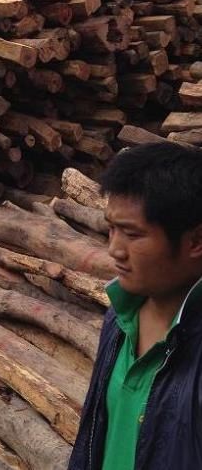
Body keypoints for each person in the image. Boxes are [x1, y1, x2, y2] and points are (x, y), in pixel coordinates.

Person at [68, 142, 202, 470]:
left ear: (196, 241)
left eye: (132, 234)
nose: (114, 249)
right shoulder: (119, 319)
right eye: (111, 229)